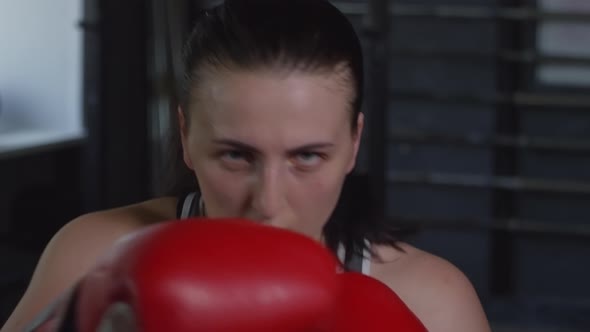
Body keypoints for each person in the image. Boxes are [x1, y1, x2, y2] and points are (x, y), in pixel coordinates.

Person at [1, 0, 491, 331]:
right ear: (186, 139)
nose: (268, 202)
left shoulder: (433, 302)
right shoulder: (94, 255)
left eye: (306, 157)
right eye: (237, 155)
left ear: (353, 143)